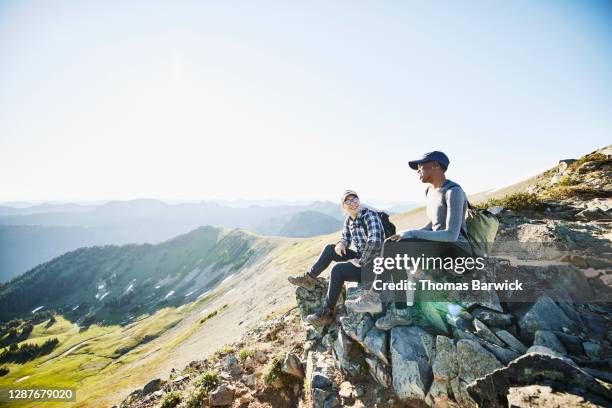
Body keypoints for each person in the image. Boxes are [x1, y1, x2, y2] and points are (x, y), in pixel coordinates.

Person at [374, 150, 473, 330]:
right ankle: (398, 310)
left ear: (435, 165)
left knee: (395, 251)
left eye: (421, 166)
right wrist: (407, 234)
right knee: (391, 244)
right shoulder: (429, 191)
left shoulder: (453, 191)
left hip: (456, 251)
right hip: (437, 246)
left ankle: (376, 296)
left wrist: (413, 234)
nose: (418, 171)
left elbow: (451, 234)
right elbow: (433, 224)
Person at [287, 190, 384, 326]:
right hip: (362, 255)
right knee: (329, 249)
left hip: (375, 264)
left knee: (337, 270)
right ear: (343, 206)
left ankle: (327, 312)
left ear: (359, 200)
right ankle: (310, 279)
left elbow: (375, 242)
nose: (352, 203)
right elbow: (345, 238)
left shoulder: (370, 215)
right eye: (348, 201)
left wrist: (360, 262)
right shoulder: (349, 220)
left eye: (354, 199)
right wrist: (341, 243)